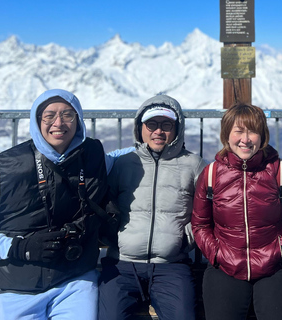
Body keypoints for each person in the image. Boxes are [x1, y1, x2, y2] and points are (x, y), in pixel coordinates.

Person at [0, 89, 124, 319]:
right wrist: (19, 248)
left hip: (74, 281)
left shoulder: (92, 158)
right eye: (49, 116)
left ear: (78, 120)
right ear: (37, 121)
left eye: (68, 114)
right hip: (17, 287)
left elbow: (126, 156)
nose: (59, 123)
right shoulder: (6, 169)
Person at [98, 94, 206, 320]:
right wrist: (114, 237)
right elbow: (105, 205)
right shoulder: (125, 163)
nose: (158, 131)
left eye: (166, 125)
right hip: (122, 265)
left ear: (177, 129)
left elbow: (206, 210)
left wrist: (184, 239)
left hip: (171, 266)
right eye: (152, 124)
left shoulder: (193, 165)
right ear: (140, 128)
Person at [192, 103, 282, 320]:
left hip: (275, 265)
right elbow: (200, 224)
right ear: (227, 134)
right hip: (226, 264)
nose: (245, 139)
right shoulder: (212, 173)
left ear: (263, 136)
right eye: (238, 131)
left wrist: (281, 250)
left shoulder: (280, 171)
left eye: (252, 131)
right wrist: (217, 254)